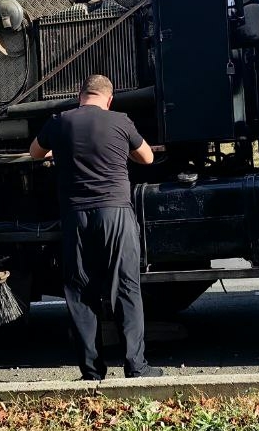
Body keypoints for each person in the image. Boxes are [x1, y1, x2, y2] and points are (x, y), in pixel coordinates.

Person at [30, 74, 163, 380]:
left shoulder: (59, 122)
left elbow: (35, 153)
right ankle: (136, 367)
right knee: (125, 287)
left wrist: (58, 150)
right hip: (115, 213)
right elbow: (146, 157)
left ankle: (91, 372)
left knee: (80, 292)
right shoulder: (120, 121)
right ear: (109, 99)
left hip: (76, 216)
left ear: (81, 96)